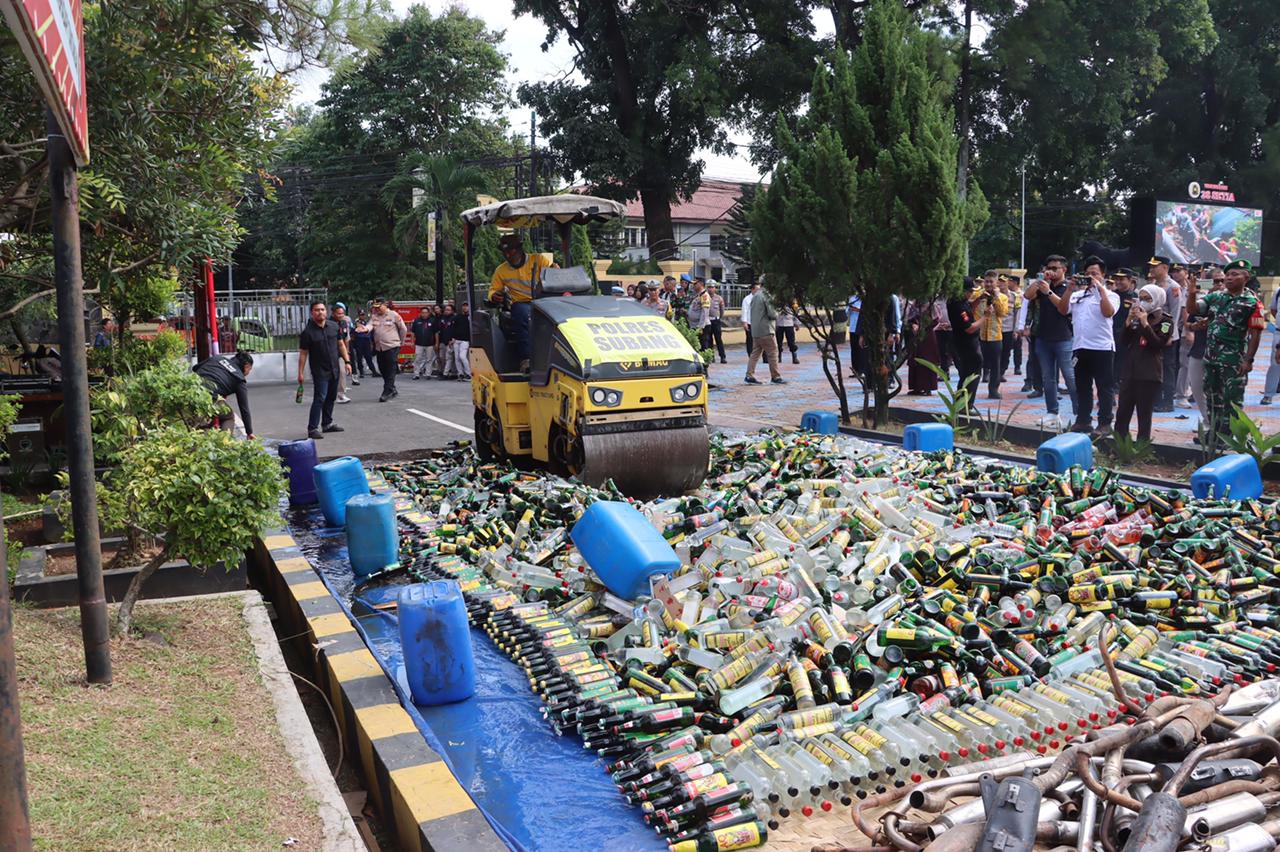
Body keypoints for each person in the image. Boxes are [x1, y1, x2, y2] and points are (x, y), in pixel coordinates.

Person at [1196, 259, 1265, 440]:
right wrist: (1190, 293)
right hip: (1211, 357)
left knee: (1232, 400)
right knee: (1212, 397)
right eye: (1227, 274)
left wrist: (1248, 359)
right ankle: (1214, 433)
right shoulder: (1217, 297)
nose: (1229, 278)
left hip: (1233, 360)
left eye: (1235, 274)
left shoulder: (1252, 303)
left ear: (1246, 278)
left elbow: (1255, 333)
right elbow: (1194, 309)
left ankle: (1230, 438)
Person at [1065, 256, 1119, 436]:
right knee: (1082, 386)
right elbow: (1063, 309)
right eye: (1087, 274)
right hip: (1080, 347)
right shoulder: (1077, 295)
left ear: (1103, 275)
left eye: (1094, 273)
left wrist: (1100, 289)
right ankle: (1083, 420)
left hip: (1102, 348)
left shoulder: (1112, 295)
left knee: (1104, 387)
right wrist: (1070, 289)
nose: (1090, 277)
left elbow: (1108, 312)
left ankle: (1104, 423)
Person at [1024, 256, 1077, 430]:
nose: (1051, 271)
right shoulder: (1043, 285)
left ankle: (1079, 413)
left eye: (1055, 268)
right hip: (1043, 337)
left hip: (1063, 338)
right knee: (1048, 378)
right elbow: (1027, 295)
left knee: (1070, 376)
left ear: (1064, 270)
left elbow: (1063, 307)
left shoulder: (1068, 287)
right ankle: (1052, 412)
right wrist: (1040, 280)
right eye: (1049, 267)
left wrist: (1048, 291)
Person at [1114, 285, 1172, 443]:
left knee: (1144, 414)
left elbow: (1158, 343)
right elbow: (1124, 341)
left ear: (1157, 300)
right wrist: (1128, 322)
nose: (1143, 302)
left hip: (1149, 373)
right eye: (1142, 298)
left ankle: (1142, 447)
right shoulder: (1136, 317)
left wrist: (1145, 324)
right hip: (1130, 371)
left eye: (1148, 299)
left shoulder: (1165, 320)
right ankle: (1120, 444)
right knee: (1123, 412)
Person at [488, 233, 552, 371]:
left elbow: (553, 276)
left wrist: (556, 273)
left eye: (511, 251)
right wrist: (494, 296)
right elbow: (493, 289)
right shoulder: (501, 271)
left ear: (519, 249)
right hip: (522, 304)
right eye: (505, 252)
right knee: (521, 314)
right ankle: (527, 358)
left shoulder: (538, 260)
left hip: (545, 300)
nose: (508, 255)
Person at [297, 301, 350, 439]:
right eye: (317, 310)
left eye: (322, 309)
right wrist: (300, 373)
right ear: (312, 313)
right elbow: (303, 353)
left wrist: (347, 361)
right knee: (320, 397)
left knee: (331, 397)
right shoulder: (307, 333)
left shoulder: (333, 326)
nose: (320, 312)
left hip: (334, 368)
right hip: (320, 371)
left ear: (326, 312)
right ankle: (312, 428)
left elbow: (341, 344)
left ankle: (327, 424)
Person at [1145, 257, 1182, 412]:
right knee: (1153, 367)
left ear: (1165, 268)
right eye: (1151, 266)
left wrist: (1169, 336)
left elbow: (1175, 312)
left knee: (1167, 368)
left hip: (1166, 333)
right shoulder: (1152, 285)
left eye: (1155, 266)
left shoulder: (1173, 287)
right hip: (1152, 332)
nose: (1152, 269)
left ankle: (1167, 402)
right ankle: (1155, 400)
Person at [195, 351, 255, 439]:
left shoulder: (218, 358)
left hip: (192, 390)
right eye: (249, 370)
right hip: (209, 398)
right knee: (228, 416)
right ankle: (224, 443)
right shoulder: (239, 379)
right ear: (246, 367)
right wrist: (249, 432)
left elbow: (195, 368)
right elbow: (244, 408)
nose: (248, 373)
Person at [947, 284, 983, 412]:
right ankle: (966, 405)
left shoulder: (959, 302)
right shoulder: (958, 305)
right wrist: (986, 317)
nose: (971, 294)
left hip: (962, 342)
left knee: (965, 374)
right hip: (967, 344)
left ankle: (960, 404)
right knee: (971, 375)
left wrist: (979, 299)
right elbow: (969, 328)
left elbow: (969, 308)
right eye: (970, 291)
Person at [975, 273, 1009, 399]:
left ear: (996, 283)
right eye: (987, 281)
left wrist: (996, 297)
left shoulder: (1003, 297)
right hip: (979, 335)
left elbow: (1002, 312)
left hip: (995, 336)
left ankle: (993, 389)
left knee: (996, 364)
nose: (988, 284)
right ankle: (971, 388)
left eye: (991, 282)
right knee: (976, 363)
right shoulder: (977, 295)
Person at [1109, 269, 1139, 409]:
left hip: (1126, 335)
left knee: (1124, 365)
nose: (1119, 282)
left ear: (1130, 280)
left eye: (1122, 279)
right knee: (1110, 365)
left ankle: (1123, 395)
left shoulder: (1134, 297)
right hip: (1111, 334)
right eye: (1117, 279)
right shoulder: (1112, 295)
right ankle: (1110, 395)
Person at [744, 283, 784, 385]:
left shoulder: (755, 295)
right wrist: (778, 310)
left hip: (756, 330)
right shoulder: (767, 296)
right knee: (773, 352)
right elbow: (772, 314)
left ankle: (749, 375)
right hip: (766, 329)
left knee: (755, 353)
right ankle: (775, 376)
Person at [370, 297, 407, 402]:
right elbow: (369, 325)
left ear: (385, 305)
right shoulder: (374, 316)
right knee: (382, 368)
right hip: (380, 347)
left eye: (379, 307)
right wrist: (364, 329)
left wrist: (401, 342)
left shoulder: (393, 315)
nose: (377, 309)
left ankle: (387, 391)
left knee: (391, 369)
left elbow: (403, 329)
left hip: (392, 346)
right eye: (375, 307)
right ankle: (392, 388)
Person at [906, 299, 939, 395]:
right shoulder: (913, 305)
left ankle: (927, 387)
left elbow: (935, 320)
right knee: (915, 360)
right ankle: (916, 387)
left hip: (927, 335)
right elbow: (909, 319)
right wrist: (913, 325)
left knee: (927, 359)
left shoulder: (931, 305)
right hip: (915, 337)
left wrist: (922, 326)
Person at [331, 302, 356, 402]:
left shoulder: (344, 323)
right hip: (330, 353)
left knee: (342, 372)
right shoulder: (329, 323)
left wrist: (347, 353)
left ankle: (341, 395)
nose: (341, 315)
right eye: (339, 313)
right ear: (333, 313)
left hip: (341, 352)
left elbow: (346, 339)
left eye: (342, 313)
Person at [1000, 276, 1022, 380]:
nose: (1001, 284)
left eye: (1004, 282)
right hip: (995, 329)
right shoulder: (993, 295)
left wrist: (1015, 330)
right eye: (999, 282)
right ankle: (993, 372)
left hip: (1008, 329)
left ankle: (1001, 372)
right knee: (995, 352)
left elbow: (1017, 314)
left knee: (1006, 352)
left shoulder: (1015, 296)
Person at [687, 278, 713, 352]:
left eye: (695, 284)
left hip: (701, 326)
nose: (693, 286)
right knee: (697, 346)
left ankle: (705, 363)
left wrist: (701, 327)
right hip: (694, 325)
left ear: (701, 284)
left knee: (702, 346)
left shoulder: (704, 296)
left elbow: (705, 312)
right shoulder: (698, 295)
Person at [411, 306, 435, 380]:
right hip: (419, 343)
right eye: (423, 313)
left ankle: (428, 374)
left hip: (430, 344)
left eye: (426, 313)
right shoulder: (416, 321)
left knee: (429, 359)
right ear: (420, 313)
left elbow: (436, 333)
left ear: (428, 313)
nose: (424, 314)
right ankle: (416, 374)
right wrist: (412, 341)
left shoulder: (432, 321)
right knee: (417, 359)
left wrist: (436, 343)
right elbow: (412, 332)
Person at [351, 312, 378, 378]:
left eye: (363, 315)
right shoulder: (356, 323)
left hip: (366, 342)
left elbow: (371, 332)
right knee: (359, 357)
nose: (363, 316)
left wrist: (372, 342)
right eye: (361, 315)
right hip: (359, 341)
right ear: (359, 315)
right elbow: (353, 332)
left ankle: (374, 371)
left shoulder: (367, 323)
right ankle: (361, 372)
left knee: (368, 357)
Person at [706, 282, 727, 364]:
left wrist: (719, 318)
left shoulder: (719, 298)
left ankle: (722, 357)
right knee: (709, 339)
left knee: (718, 339)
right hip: (708, 320)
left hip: (716, 320)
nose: (710, 289)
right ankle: (711, 356)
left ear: (715, 288)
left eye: (712, 287)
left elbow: (722, 310)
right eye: (709, 287)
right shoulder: (704, 297)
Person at [775, 299, 799, 365]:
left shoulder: (792, 302)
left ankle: (794, 357)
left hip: (789, 324)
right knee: (778, 341)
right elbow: (774, 313)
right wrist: (775, 324)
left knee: (791, 342)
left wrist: (796, 324)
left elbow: (796, 314)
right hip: (779, 324)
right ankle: (778, 356)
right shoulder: (777, 302)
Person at [451, 303, 471, 381]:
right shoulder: (457, 317)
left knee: (462, 356)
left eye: (466, 306)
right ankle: (460, 374)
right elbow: (453, 328)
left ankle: (468, 374)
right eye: (464, 306)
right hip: (456, 340)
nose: (465, 307)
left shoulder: (471, 317)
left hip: (465, 340)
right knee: (457, 358)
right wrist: (452, 338)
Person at [437, 304, 457, 378]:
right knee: (442, 357)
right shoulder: (442, 318)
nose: (447, 311)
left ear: (452, 311)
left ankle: (447, 373)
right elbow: (439, 330)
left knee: (449, 358)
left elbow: (456, 330)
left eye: (448, 310)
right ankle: (445, 371)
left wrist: (453, 339)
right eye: (446, 310)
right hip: (442, 341)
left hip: (451, 341)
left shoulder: (454, 318)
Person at [742, 282, 760, 357]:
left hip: (760, 322)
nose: (759, 291)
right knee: (750, 340)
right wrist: (745, 322)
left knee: (763, 339)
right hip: (750, 322)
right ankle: (750, 355)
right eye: (757, 289)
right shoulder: (747, 299)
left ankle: (765, 357)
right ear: (752, 289)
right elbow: (744, 311)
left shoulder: (761, 298)